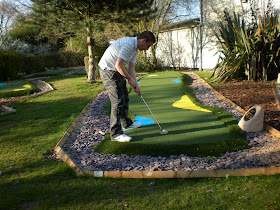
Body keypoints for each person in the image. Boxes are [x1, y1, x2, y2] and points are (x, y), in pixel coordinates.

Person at [98, 31, 155, 142]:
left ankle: (126, 124)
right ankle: (115, 134)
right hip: (108, 70)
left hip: (116, 70)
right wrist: (129, 79)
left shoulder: (135, 49)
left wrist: (135, 84)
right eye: (148, 45)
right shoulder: (129, 44)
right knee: (118, 100)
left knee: (125, 96)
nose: (147, 49)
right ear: (143, 40)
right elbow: (118, 65)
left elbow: (131, 69)